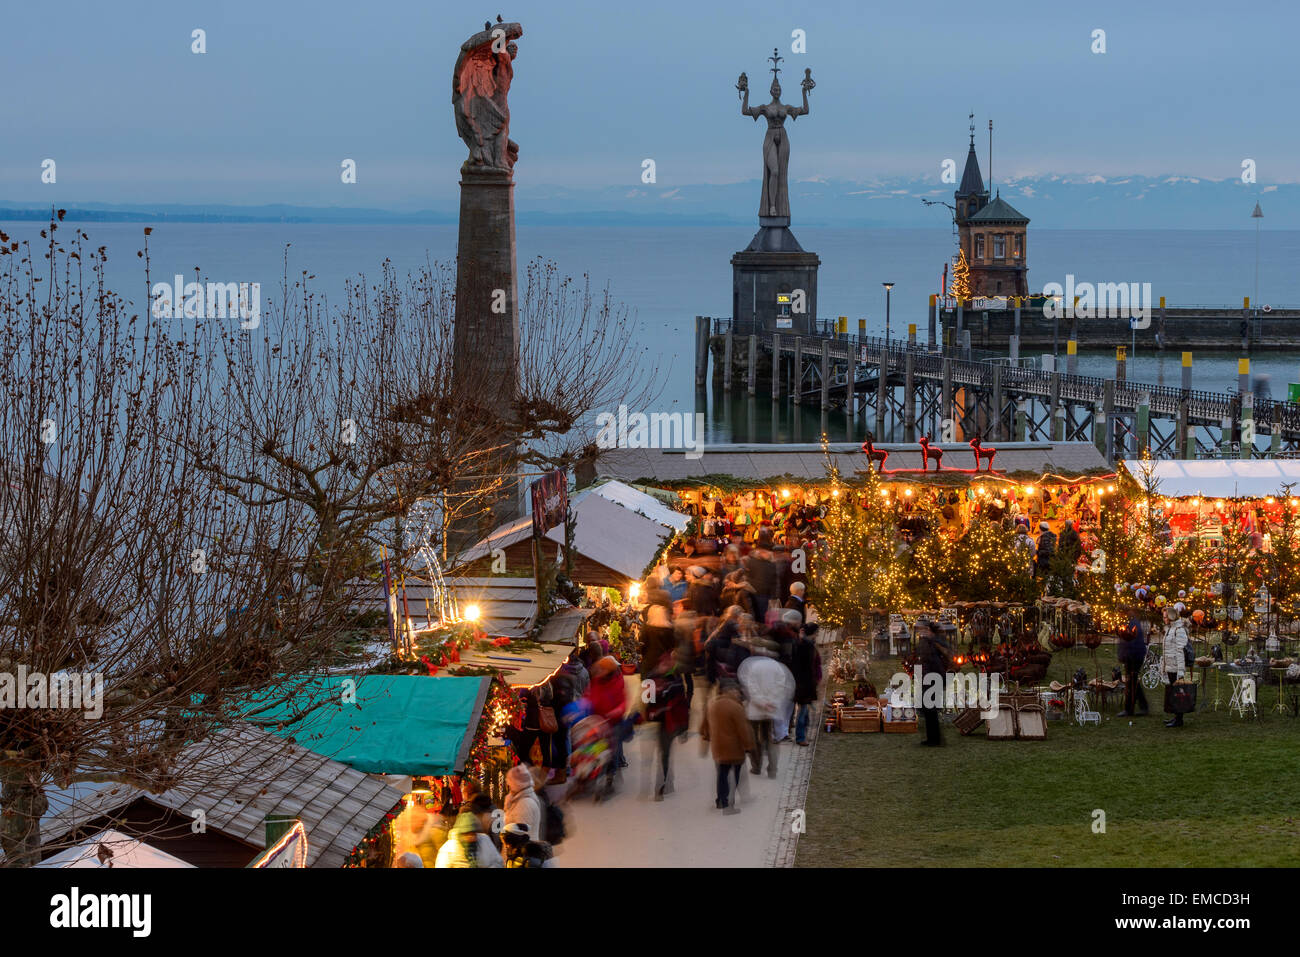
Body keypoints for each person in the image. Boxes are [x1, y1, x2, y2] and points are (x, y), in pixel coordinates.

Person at [701, 680, 755, 814]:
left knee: (722, 775)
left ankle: (720, 800)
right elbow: (743, 730)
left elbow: (704, 726)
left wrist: (707, 736)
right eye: (736, 691)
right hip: (734, 748)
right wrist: (748, 746)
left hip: (718, 747)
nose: (738, 694)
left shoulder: (712, 704)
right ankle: (728, 805)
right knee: (735, 776)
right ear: (729, 691)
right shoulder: (736, 707)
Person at [738, 654, 795, 777]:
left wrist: (762, 702)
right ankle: (772, 769)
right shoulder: (777, 667)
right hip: (771, 710)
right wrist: (771, 702)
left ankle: (756, 766)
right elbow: (781, 686)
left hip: (755, 709)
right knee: (769, 738)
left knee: (754, 739)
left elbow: (752, 688)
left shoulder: (754, 667)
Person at [644, 651, 689, 800]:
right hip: (661, 720)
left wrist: (684, 727)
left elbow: (681, 702)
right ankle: (664, 785)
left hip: (670, 720)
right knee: (664, 753)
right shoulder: (653, 677)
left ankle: (663, 785)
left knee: (665, 753)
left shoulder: (676, 677)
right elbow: (646, 699)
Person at [584, 655, 631, 797]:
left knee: (612, 751)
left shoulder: (618, 681)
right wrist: (584, 704)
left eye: (602, 669)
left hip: (614, 722)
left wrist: (617, 710)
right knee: (596, 750)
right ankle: (593, 777)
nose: (599, 671)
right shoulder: (597, 680)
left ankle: (610, 778)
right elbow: (590, 695)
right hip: (598, 721)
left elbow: (623, 701)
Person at [915, 620, 952, 746]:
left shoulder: (937, 641)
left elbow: (944, 653)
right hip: (928, 677)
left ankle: (935, 739)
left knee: (930, 709)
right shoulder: (926, 642)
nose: (922, 632)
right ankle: (932, 738)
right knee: (928, 708)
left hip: (935, 677)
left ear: (930, 630)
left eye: (924, 629)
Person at [788, 622, 822, 746]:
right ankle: (800, 737)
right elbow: (806, 667)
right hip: (804, 684)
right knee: (802, 713)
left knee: (805, 711)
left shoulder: (805, 644)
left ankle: (804, 735)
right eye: (816, 633)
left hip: (805, 683)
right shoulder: (805, 646)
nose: (817, 635)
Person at [435, 810, 503, 868]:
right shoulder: (448, 849)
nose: (471, 837)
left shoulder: (485, 840)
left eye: (473, 833)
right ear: (460, 833)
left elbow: (498, 862)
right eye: (466, 834)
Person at [1116, 610, 1150, 717]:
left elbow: (1131, 641)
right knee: (1133, 681)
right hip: (1131, 656)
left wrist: (1125, 655)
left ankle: (1129, 709)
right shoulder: (1129, 623)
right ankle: (1143, 706)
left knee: (1131, 682)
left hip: (1134, 656)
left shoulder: (1133, 625)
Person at [1163, 608, 1191, 728]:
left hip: (1175, 666)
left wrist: (1180, 671)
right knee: (1171, 693)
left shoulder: (1178, 630)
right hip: (1170, 666)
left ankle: (1179, 719)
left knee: (1177, 694)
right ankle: (1175, 716)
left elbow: (1180, 651)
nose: (1164, 619)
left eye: (1165, 617)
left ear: (1171, 617)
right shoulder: (1170, 629)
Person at [503, 763, 542, 838]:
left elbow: (521, 836)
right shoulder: (516, 800)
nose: (508, 784)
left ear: (516, 784)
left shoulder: (525, 804)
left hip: (521, 848)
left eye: (509, 781)